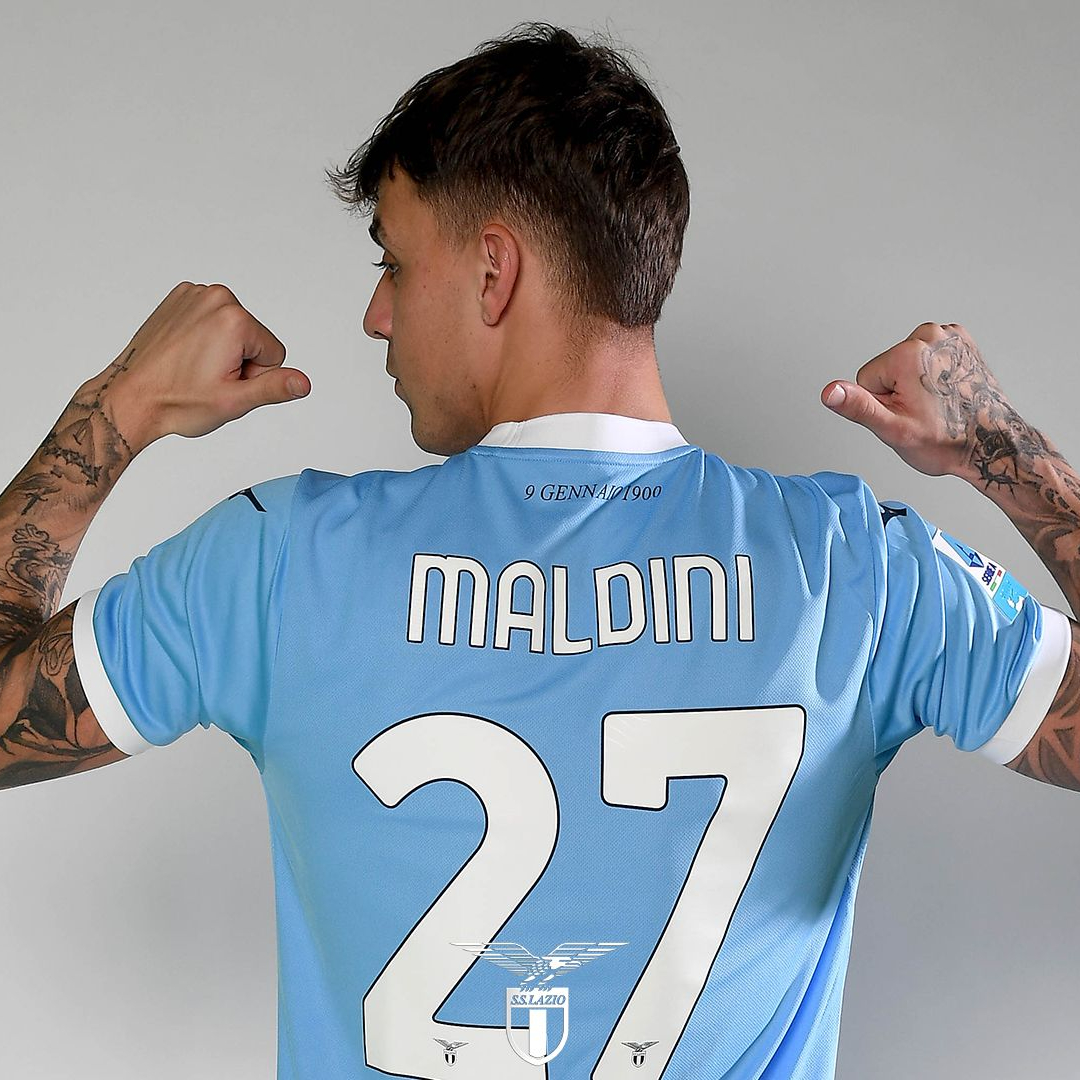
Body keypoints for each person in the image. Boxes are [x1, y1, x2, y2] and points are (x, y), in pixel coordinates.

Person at [0, 18, 1076, 1079]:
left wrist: (120, 405)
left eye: (394, 262)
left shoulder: (280, 560)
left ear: (492, 272)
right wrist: (1003, 447)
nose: (376, 314)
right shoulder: (852, 566)